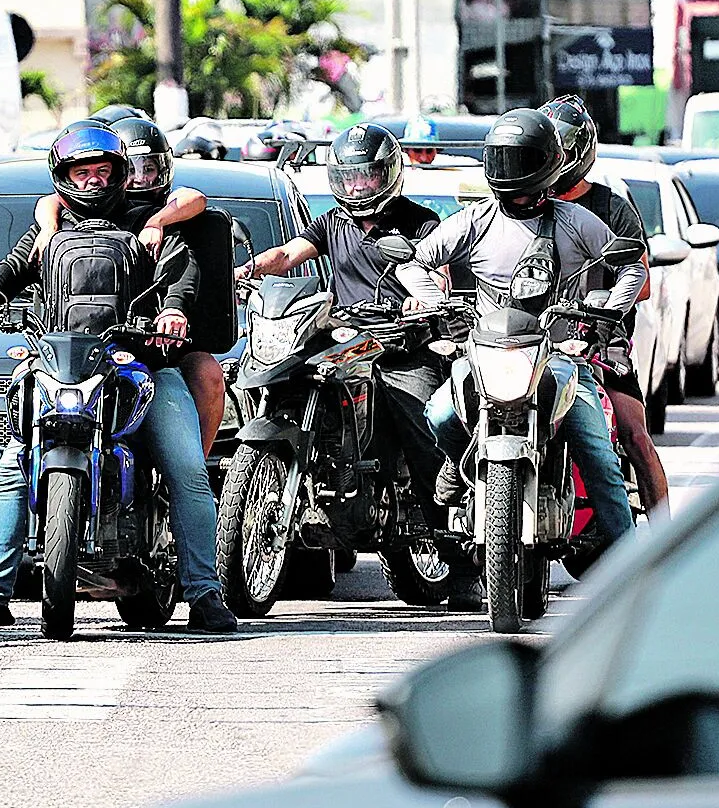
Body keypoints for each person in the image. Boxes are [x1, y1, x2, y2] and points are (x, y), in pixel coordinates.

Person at [0, 121, 238, 635]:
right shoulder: (49, 232)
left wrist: (172, 312)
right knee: (15, 462)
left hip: (145, 367)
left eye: (104, 171)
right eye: (82, 171)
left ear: (121, 174)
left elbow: (183, 271)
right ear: (63, 177)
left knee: (188, 468)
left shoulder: (150, 222)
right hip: (59, 367)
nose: (93, 181)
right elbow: (11, 269)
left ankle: (205, 593)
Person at [401, 108, 645, 570]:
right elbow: (414, 262)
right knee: (438, 413)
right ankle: (461, 465)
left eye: (523, 162)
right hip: (483, 356)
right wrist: (439, 302)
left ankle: (632, 570)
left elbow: (630, 265)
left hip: (559, 359)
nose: (516, 177)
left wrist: (608, 309)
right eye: (507, 162)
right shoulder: (473, 220)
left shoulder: (577, 221)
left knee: (599, 455)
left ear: (551, 165)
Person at [238, 122, 447, 501]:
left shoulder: (420, 222)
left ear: (388, 173)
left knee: (422, 426)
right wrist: (244, 271)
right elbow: (286, 255)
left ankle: (443, 525)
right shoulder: (334, 221)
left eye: (367, 176)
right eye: (349, 177)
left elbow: (440, 276)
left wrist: (422, 300)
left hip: (402, 346)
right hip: (348, 341)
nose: (357, 186)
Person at [27, 115, 225, 452]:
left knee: (186, 464)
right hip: (68, 359)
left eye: (151, 169)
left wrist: (157, 223)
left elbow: (182, 263)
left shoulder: (163, 218)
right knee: (15, 462)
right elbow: (47, 206)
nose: (142, 179)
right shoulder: (64, 217)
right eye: (135, 169)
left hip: (149, 354)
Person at [541, 94, 669, 515]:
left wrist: (604, 305)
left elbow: (643, 281)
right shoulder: (524, 204)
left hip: (598, 342)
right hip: (529, 341)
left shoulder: (612, 208)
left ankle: (664, 540)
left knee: (635, 435)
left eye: (560, 151)